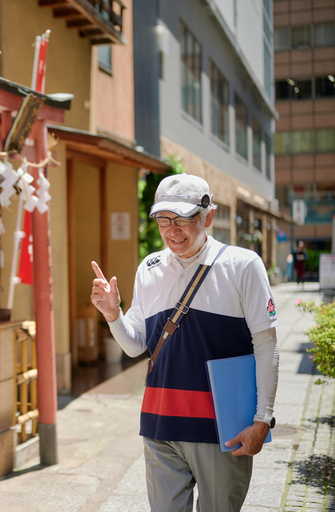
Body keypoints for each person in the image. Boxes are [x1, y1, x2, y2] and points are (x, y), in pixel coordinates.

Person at [90, 174, 279, 512]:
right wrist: (113, 314)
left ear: (208, 216)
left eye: (184, 218)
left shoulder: (242, 265)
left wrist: (262, 418)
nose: (172, 230)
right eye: (164, 219)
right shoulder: (149, 268)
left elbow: (266, 344)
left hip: (223, 429)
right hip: (160, 422)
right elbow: (136, 346)